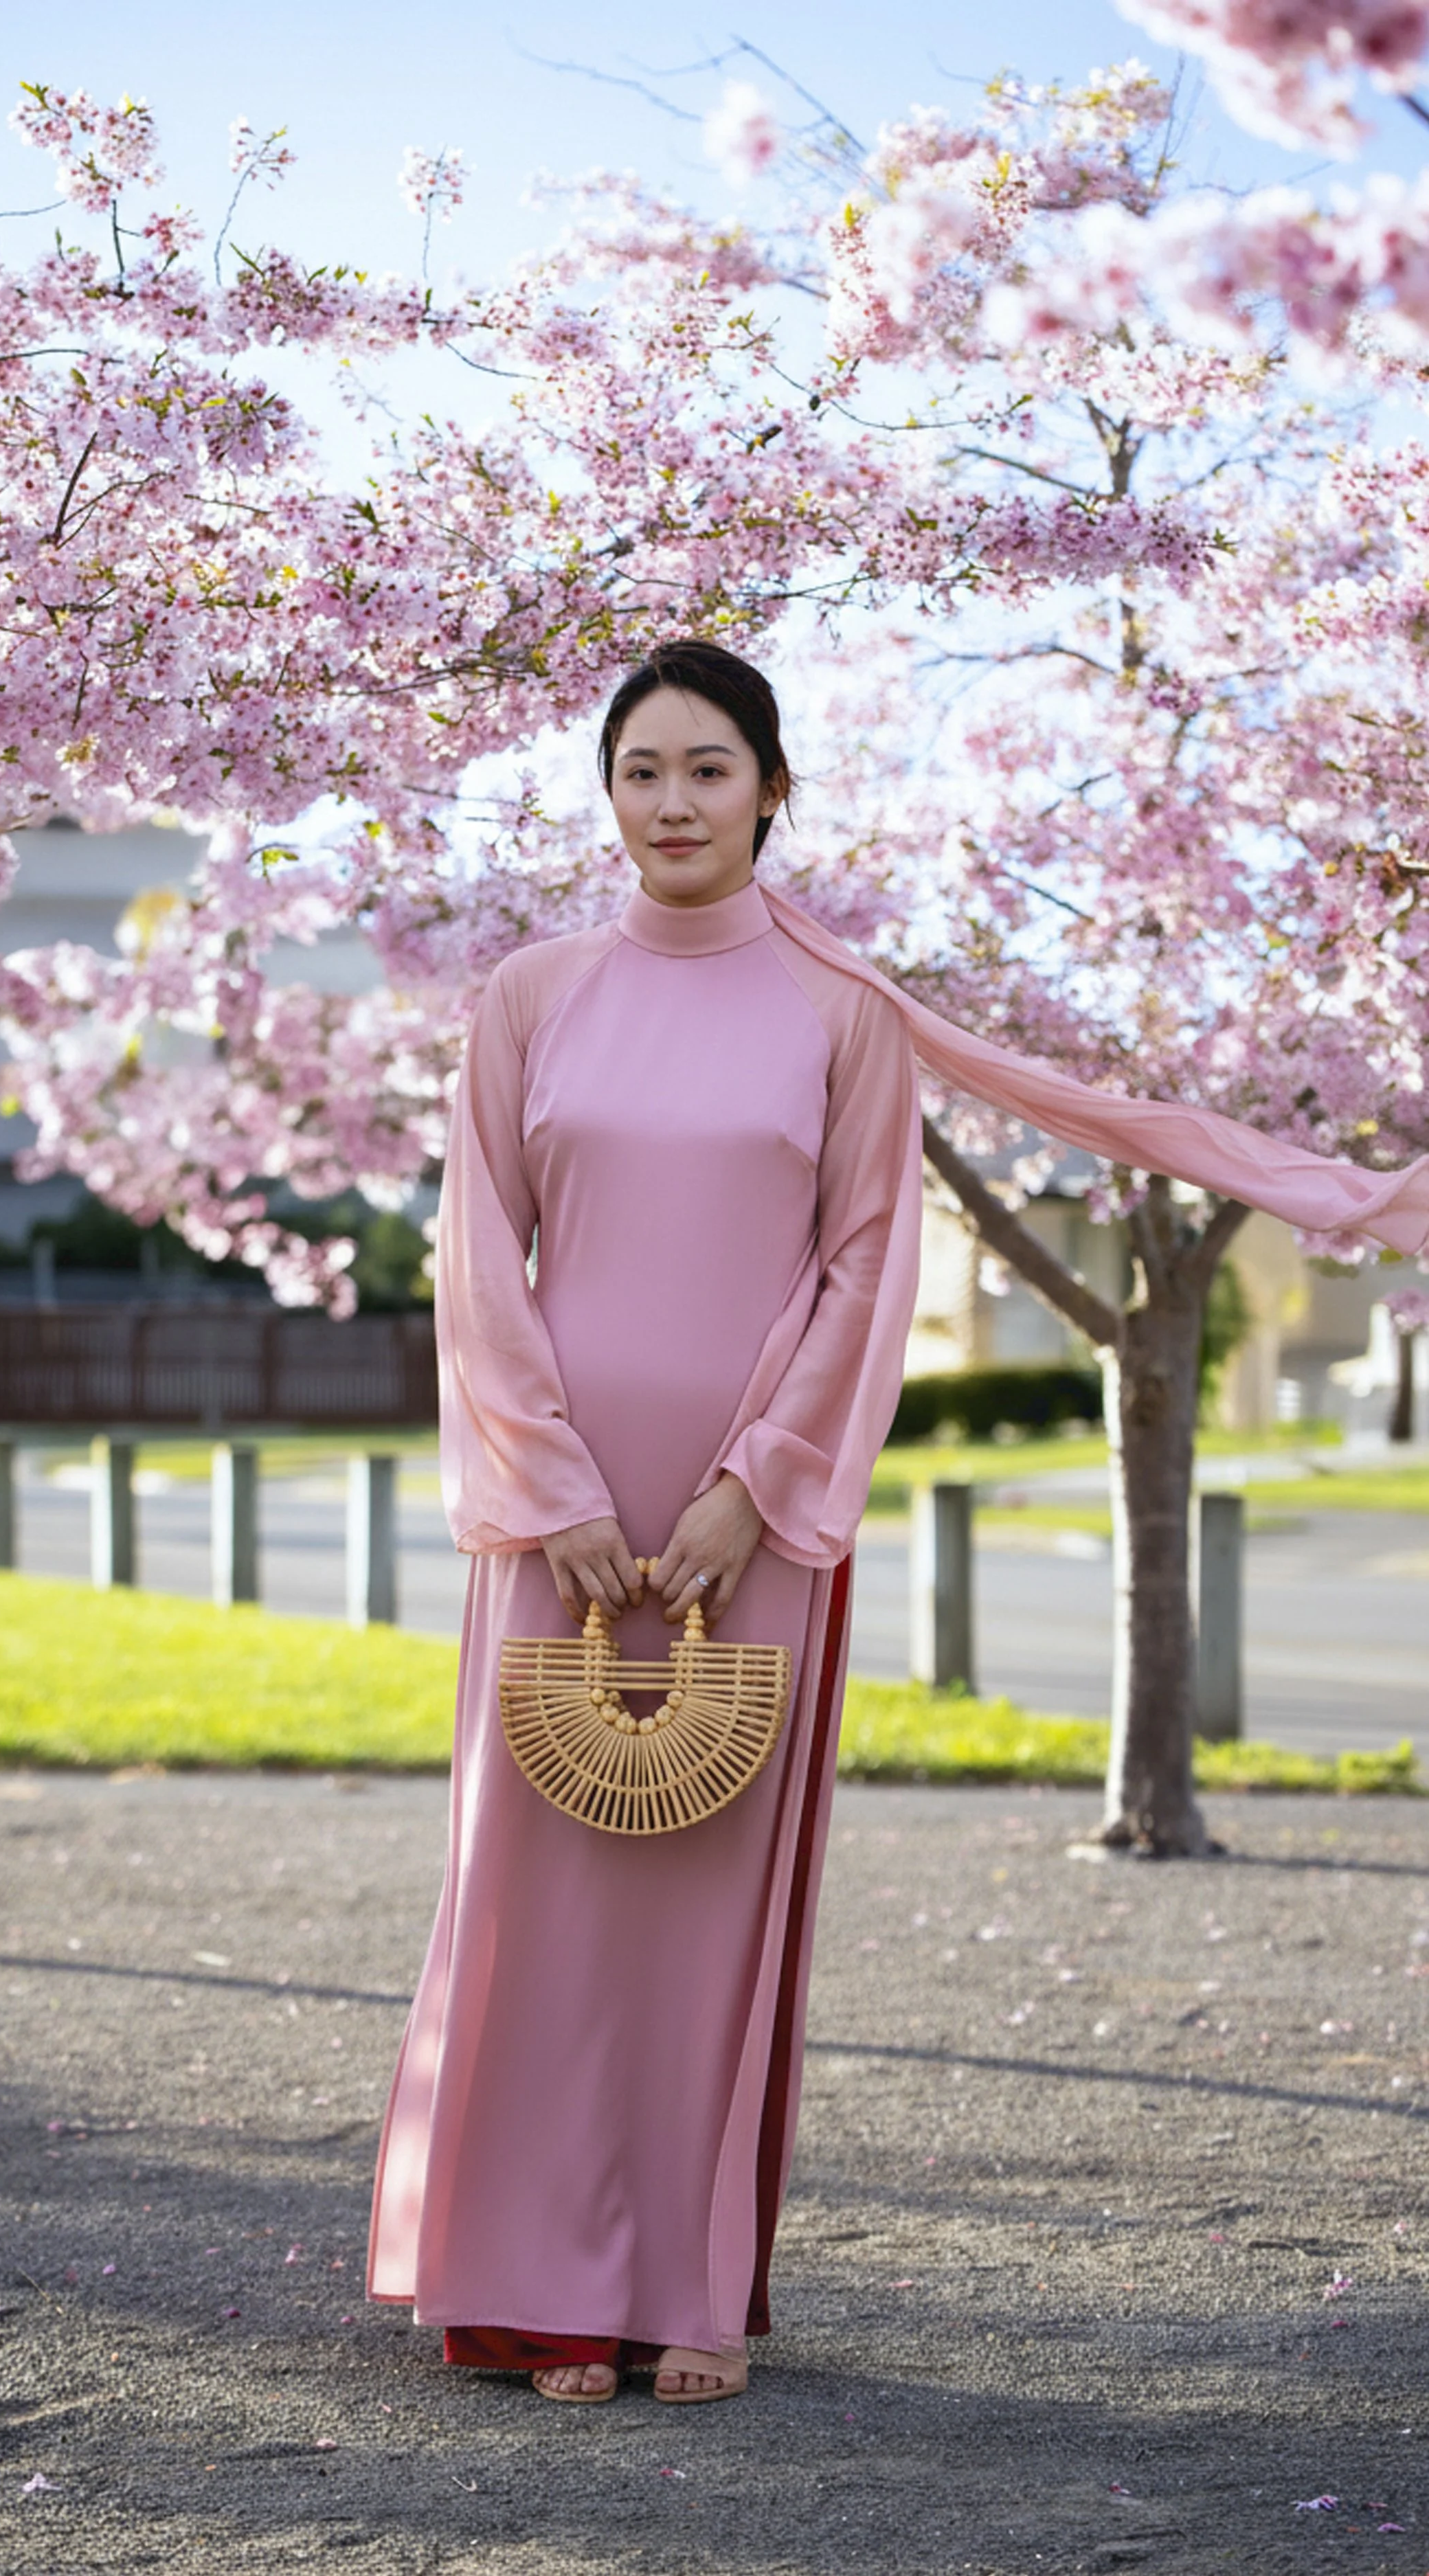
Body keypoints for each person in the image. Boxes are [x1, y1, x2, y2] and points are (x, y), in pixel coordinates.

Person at [367, 637, 1429, 2408]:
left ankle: (683, 2287)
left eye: (711, 769)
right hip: (551, 1512)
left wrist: (750, 1493)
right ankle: (533, 2290)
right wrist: (550, 1489)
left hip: (752, 1519)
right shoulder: (529, 996)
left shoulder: (841, 1011)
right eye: (643, 770)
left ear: (774, 789)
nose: (675, 802)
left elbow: (866, 1269)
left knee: (700, 1894)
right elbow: (477, 1259)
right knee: (542, 1882)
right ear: (607, 793)